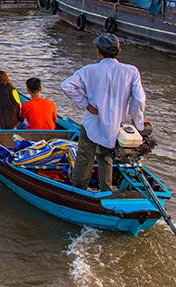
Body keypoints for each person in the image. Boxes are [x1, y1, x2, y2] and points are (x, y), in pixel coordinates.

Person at [61, 33, 147, 192]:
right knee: (105, 156)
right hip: (115, 124)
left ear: (99, 52)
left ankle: (79, 190)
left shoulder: (90, 70)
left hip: (92, 121)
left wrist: (86, 104)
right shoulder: (131, 71)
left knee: (84, 157)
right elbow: (139, 99)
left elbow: (67, 86)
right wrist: (138, 122)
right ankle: (106, 189)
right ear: (118, 51)